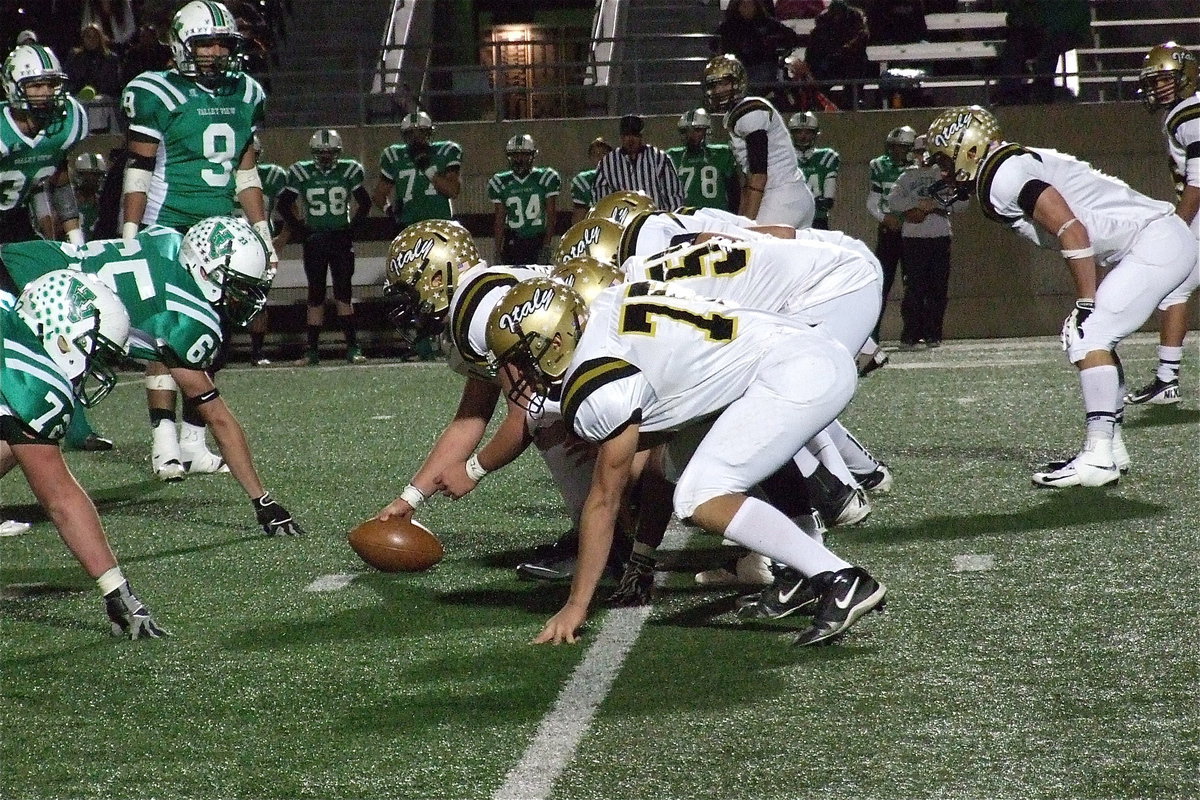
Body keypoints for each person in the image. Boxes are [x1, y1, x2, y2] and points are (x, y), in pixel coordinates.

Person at [486, 277, 888, 647]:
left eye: (523, 357)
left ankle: (841, 579)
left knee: (700, 497)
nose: (519, 372)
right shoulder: (609, 304)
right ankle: (806, 571)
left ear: (556, 342)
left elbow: (603, 501)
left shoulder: (596, 384)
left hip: (793, 371)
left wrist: (576, 606)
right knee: (686, 466)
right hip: (798, 349)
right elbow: (668, 436)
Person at [925, 106, 1196, 487]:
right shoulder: (1008, 166)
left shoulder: (1002, 174)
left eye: (942, 160)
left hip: (1155, 240)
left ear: (968, 149)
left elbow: (1072, 229)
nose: (941, 172)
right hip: (1152, 241)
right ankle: (1110, 448)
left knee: (1089, 334)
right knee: (1095, 336)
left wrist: (1085, 301)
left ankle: (1099, 456)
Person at [2, 217, 307, 532]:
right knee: (32, 415)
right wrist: (262, 500)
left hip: (23, 262)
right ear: (206, 270)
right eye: (236, 285)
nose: (238, 297)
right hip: (27, 294)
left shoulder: (168, 239)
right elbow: (216, 416)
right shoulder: (189, 319)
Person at [374, 220, 608, 583]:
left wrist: (472, 472)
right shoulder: (477, 298)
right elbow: (471, 417)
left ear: (437, 278)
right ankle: (611, 531)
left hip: (623, 364)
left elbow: (526, 415)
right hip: (615, 363)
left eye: (409, 288)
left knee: (549, 420)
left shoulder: (477, 312)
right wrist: (409, 499)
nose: (407, 305)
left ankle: (606, 541)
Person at [120, 0, 273, 482]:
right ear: (181, 45)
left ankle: (193, 441)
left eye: (222, 43)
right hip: (166, 227)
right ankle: (163, 443)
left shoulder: (246, 90)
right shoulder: (156, 92)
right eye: (204, 42)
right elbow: (139, 170)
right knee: (167, 338)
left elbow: (245, 171)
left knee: (213, 338)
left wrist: (261, 230)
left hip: (219, 233)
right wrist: (131, 234)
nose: (214, 52)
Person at [0, 271, 167, 638]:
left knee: (15, 439)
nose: (93, 366)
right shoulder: (33, 379)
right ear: (61, 338)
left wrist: (114, 587)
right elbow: (59, 497)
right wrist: (117, 589)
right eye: (93, 350)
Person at [0, 44, 110, 453]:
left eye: (50, 84)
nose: (45, 93)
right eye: (36, 85)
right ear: (14, 87)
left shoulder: (66, 124)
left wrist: (73, 235)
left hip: (14, 225)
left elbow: (58, 179)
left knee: (56, 319)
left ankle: (73, 421)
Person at [1126, 42, 1199, 406]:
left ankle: (1167, 380)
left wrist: (1178, 226)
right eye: (1154, 81)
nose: (1157, 88)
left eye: (1165, 79)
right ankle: (1167, 380)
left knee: (1173, 290)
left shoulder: (1188, 113)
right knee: (1174, 292)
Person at [278, 129, 372, 366]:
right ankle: (312, 351)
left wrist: (352, 229)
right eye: (321, 152)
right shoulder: (301, 171)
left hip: (339, 237)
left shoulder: (350, 170)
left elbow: (365, 202)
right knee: (316, 293)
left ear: (338, 152)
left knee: (343, 293)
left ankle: (352, 347)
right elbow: (284, 204)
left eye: (330, 152)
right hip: (317, 238)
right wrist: (301, 229)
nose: (326, 157)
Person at [703, 54, 816, 228]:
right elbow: (749, 179)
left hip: (780, 196)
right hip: (790, 195)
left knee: (751, 246)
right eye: (715, 85)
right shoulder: (736, 114)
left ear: (738, 82)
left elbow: (758, 175)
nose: (719, 91)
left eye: (724, 83)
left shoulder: (750, 110)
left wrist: (746, 224)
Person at [886, 134, 969, 348]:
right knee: (914, 288)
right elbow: (892, 201)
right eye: (919, 152)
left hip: (939, 236)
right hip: (914, 239)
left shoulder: (944, 177)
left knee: (937, 288)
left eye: (927, 152)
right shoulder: (906, 177)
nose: (923, 157)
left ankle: (933, 334)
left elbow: (962, 203)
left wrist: (937, 205)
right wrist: (916, 205)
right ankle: (910, 334)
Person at [233, 134, 289, 366]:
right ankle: (220, 348)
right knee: (222, 299)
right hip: (229, 244)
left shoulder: (272, 176)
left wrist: (280, 241)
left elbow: (290, 212)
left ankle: (257, 351)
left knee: (258, 300)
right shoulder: (221, 175)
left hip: (258, 245)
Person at [372, 110, 462, 232]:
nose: (416, 138)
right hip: (409, 225)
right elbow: (379, 195)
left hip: (440, 224)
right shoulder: (394, 155)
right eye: (411, 134)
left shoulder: (446, 151)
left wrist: (427, 169)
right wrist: (390, 211)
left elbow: (453, 191)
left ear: (429, 133)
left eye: (421, 132)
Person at [867, 125, 916, 341]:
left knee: (914, 284)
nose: (896, 152)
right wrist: (886, 218)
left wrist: (905, 219)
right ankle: (872, 334)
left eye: (901, 148)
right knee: (882, 282)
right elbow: (872, 202)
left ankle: (913, 333)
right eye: (893, 148)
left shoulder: (918, 169)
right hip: (888, 230)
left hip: (914, 231)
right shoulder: (879, 165)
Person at [991, 0, 1090, 106]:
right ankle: (1010, 95)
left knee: (1048, 51)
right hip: (1044, 26)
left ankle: (1041, 96)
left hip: (1065, 27)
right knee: (1016, 45)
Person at [488, 134, 560, 265]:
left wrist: (546, 245)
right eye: (515, 155)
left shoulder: (545, 178)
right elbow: (499, 220)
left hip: (537, 240)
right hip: (513, 240)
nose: (519, 159)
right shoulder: (500, 182)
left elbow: (551, 216)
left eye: (523, 155)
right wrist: (497, 250)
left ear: (532, 156)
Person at [592, 114, 684, 212]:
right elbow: (601, 200)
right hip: (623, 222)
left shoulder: (658, 158)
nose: (630, 139)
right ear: (621, 137)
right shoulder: (607, 163)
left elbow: (673, 194)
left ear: (641, 136)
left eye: (635, 135)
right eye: (627, 135)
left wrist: (671, 219)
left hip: (655, 220)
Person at [711, 0, 803, 95]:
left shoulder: (766, 23)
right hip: (737, 67)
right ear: (737, 7)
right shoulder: (729, 26)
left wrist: (772, 42)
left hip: (763, 66)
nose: (746, 8)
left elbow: (791, 37)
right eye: (743, 5)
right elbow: (713, 43)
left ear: (756, 6)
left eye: (750, 4)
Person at [666, 108, 739, 212]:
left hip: (717, 216)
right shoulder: (672, 156)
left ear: (707, 131)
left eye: (697, 130)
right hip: (685, 216)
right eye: (686, 131)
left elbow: (734, 192)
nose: (691, 135)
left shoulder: (721, 154)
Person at [805, 0, 872, 109]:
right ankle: (819, 104)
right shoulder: (822, 25)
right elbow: (813, 49)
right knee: (816, 75)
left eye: (839, 14)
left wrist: (847, 48)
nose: (837, 18)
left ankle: (853, 101)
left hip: (851, 60)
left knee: (858, 65)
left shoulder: (855, 20)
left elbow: (862, 37)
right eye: (834, 15)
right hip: (829, 62)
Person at [789, 111, 840, 229]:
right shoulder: (784, 157)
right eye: (798, 132)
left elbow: (827, 201)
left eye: (808, 132)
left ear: (815, 134)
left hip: (817, 219)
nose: (803, 136)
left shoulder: (827, 156)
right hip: (791, 220)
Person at [64, 23, 121, 100]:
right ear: (83, 38)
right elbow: (69, 80)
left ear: (100, 38)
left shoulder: (110, 58)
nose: (92, 40)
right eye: (88, 37)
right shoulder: (74, 57)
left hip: (104, 100)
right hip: (79, 98)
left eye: (95, 37)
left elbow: (113, 84)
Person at [570, 137, 613, 224]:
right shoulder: (583, 181)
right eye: (595, 154)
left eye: (603, 153)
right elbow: (578, 218)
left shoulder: (621, 178)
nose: (600, 157)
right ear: (590, 158)